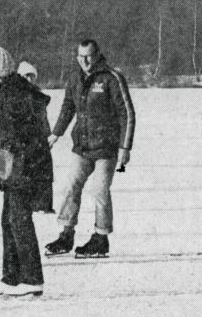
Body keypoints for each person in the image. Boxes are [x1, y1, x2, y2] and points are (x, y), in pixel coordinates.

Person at [45, 39, 136, 258]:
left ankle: (100, 238)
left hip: (106, 148)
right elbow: (68, 107)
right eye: (80, 56)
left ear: (97, 55)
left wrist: (125, 146)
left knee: (100, 190)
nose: (84, 60)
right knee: (71, 186)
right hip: (83, 146)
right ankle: (66, 234)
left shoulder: (111, 78)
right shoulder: (75, 78)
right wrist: (56, 133)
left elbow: (127, 113)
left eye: (88, 56)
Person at [0, 47, 52, 296]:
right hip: (20, 166)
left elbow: (13, 135)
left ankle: (32, 279)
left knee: (18, 219)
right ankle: (11, 278)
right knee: (10, 219)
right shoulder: (10, 90)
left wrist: (8, 163)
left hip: (23, 167)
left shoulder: (10, 93)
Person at [17, 61, 55, 214]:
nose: (29, 79)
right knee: (27, 171)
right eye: (26, 75)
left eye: (32, 76)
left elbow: (43, 118)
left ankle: (44, 204)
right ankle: (28, 203)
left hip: (40, 138)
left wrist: (48, 134)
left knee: (45, 172)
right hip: (26, 140)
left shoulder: (38, 94)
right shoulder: (17, 95)